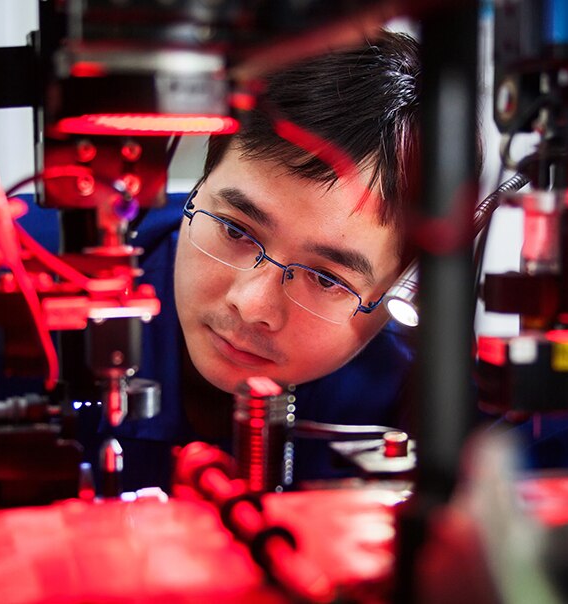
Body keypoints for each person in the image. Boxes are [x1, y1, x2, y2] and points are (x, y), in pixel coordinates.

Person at [107, 31, 423, 491]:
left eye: (325, 278)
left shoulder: (417, 393)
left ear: (397, 290)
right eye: (236, 231)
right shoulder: (12, 279)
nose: (253, 306)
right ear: (199, 185)